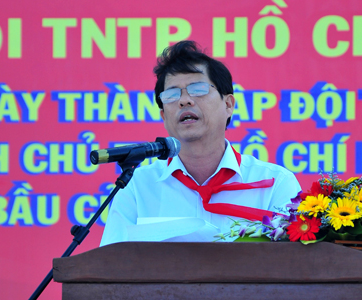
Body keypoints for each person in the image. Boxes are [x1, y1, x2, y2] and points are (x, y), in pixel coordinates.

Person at [100, 41, 300, 245]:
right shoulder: (137, 188)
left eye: (198, 89)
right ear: (163, 115)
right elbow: (110, 269)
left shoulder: (275, 184)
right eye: (172, 95)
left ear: (228, 104)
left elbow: (291, 269)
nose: (184, 101)